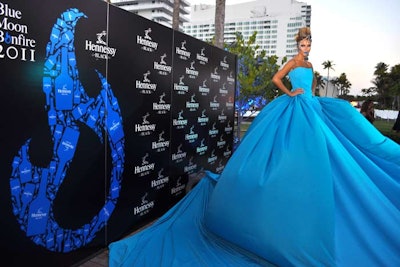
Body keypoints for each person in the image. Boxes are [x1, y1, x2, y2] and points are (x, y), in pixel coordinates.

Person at [109, 27, 400, 267]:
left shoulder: (310, 65)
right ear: (297, 44)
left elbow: (310, 87)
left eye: (309, 43)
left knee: (327, 151)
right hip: (295, 107)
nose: (306, 47)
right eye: (303, 42)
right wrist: (290, 92)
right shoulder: (294, 63)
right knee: (286, 151)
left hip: (311, 107)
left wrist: (309, 96)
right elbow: (276, 78)